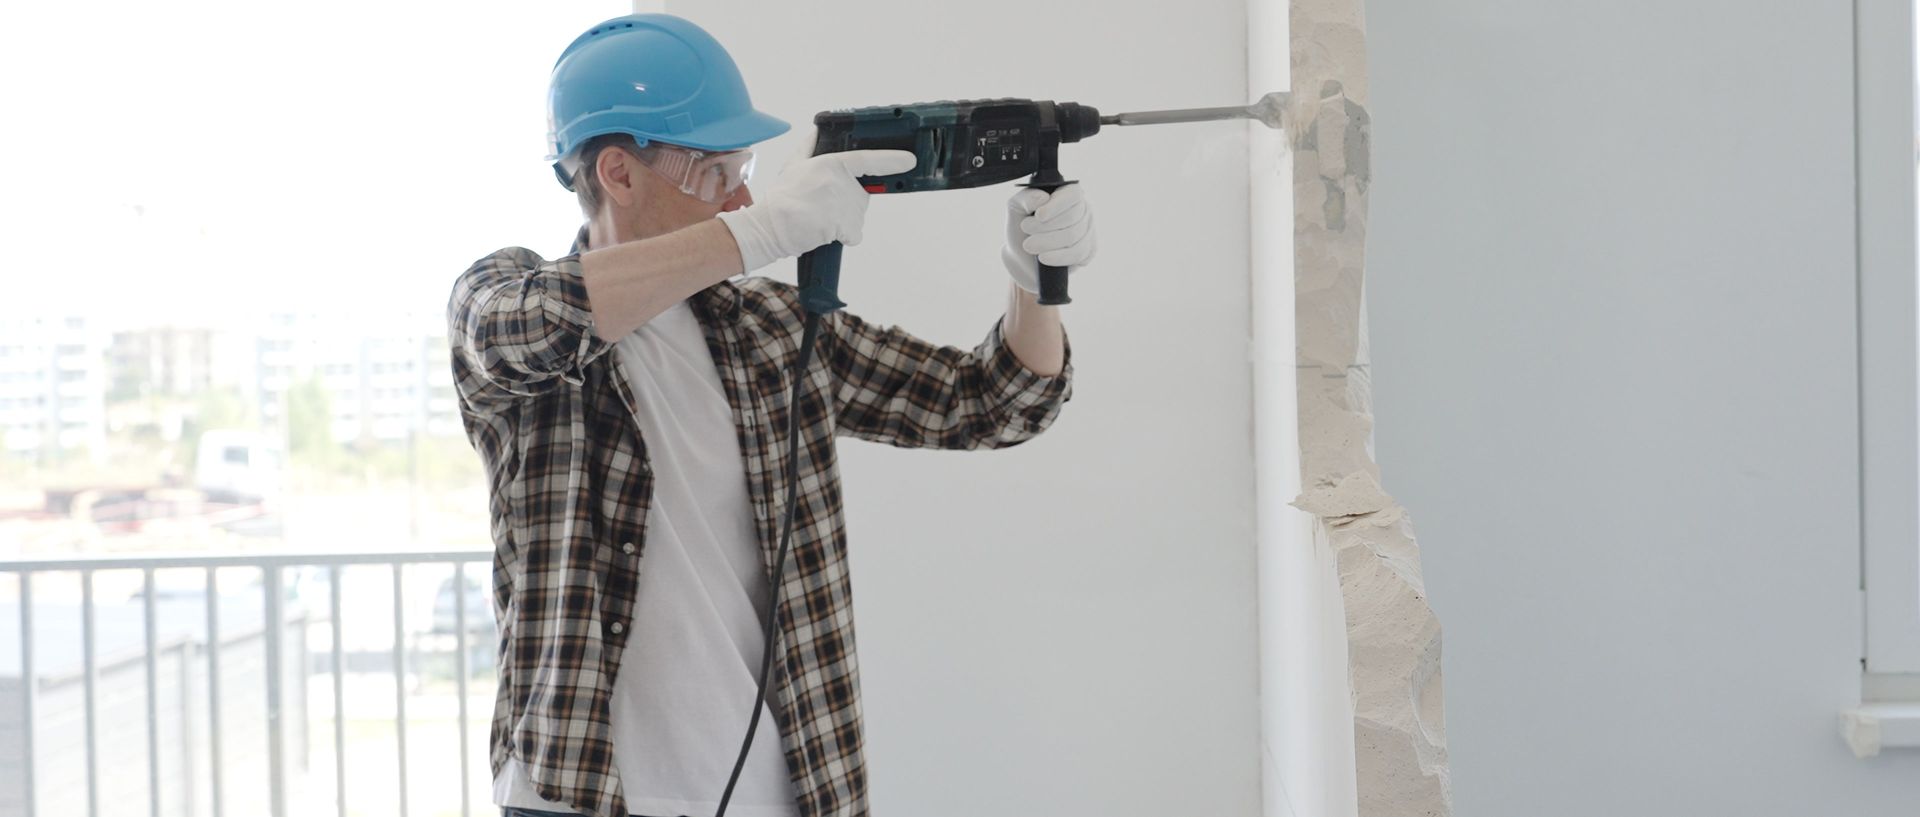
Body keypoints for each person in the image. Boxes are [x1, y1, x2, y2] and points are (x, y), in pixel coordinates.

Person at [447, 13, 1094, 817]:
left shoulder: (774, 332)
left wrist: (1033, 280)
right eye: (718, 171)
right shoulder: (505, 297)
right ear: (618, 170)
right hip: (578, 792)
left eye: (745, 170)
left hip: (778, 794)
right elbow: (525, 326)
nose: (746, 195)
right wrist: (756, 233)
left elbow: (993, 401)